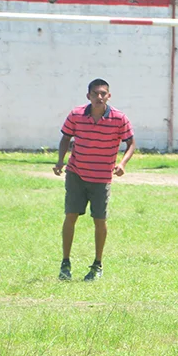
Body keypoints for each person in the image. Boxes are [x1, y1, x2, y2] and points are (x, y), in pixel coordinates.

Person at [53, 78, 136, 282]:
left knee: (100, 220)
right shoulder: (76, 115)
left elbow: (131, 142)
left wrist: (123, 163)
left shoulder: (119, 118)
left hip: (101, 178)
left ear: (109, 96)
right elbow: (66, 138)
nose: (99, 97)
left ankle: (97, 264)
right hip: (77, 174)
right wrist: (60, 162)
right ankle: (65, 263)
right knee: (71, 215)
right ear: (88, 96)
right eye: (95, 93)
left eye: (103, 93)